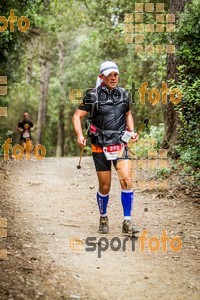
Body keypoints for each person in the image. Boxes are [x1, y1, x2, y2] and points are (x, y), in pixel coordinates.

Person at [72, 61, 139, 236]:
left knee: (126, 180)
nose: (114, 77)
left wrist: (131, 131)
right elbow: (76, 116)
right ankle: (103, 218)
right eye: (110, 74)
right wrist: (80, 135)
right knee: (105, 185)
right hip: (99, 144)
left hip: (120, 143)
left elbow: (127, 114)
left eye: (116, 74)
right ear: (101, 76)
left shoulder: (124, 94)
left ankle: (127, 221)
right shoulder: (92, 95)